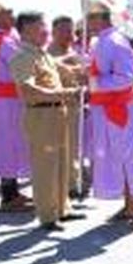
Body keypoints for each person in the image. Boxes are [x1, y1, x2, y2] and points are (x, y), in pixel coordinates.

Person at [9, 11, 85, 231]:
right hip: (41, 115)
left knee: (61, 163)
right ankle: (47, 215)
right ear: (24, 30)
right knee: (45, 168)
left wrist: (88, 70)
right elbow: (28, 89)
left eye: (44, 26)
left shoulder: (42, 55)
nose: (45, 31)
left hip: (56, 114)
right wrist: (63, 94)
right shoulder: (22, 57)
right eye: (39, 27)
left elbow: (69, 69)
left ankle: (62, 209)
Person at [87, 1, 133, 226]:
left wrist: (93, 81)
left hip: (119, 109)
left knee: (130, 156)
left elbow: (126, 78)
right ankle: (129, 205)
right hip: (102, 109)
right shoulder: (97, 42)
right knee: (116, 157)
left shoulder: (116, 41)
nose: (86, 22)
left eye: (90, 17)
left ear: (100, 18)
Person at [0, 0, 32, 212]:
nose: (13, 17)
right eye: (9, 13)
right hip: (10, 99)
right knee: (11, 144)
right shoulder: (3, 39)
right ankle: (9, 197)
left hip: (4, 98)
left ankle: (11, 192)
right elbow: (23, 64)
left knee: (7, 144)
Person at [47, 15, 86, 198]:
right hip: (55, 109)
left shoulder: (74, 51)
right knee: (60, 151)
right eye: (63, 30)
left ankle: (72, 184)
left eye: (70, 30)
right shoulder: (48, 54)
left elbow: (82, 78)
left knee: (73, 148)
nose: (68, 34)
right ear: (53, 32)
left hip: (74, 107)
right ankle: (62, 189)